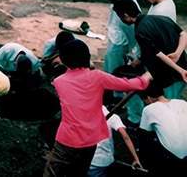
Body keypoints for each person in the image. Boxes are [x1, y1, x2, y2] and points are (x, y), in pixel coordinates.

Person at [44, 39, 151, 177]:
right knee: (80, 170)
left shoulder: (58, 82)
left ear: (64, 61)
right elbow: (129, 84)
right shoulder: (98, 77)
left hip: (67, 139)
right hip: (91, 139)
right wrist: (146, 77)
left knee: (52, 171)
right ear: (87, 57)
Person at [113, 0, 187, 99]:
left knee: (168, 108)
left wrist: (179, 70)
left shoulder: (140, 31)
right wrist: (178, 53)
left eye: (120, 16)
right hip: (183, 67)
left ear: (125, 15)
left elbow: (157, 53)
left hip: (170, 75)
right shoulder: (162, 18)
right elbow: (183, 34)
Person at [138, 82, 187, 173]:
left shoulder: (148, 109)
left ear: (148, 98)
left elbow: (144, 135)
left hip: (175, 156)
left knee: (147, 139)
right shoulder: (182, 102)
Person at [87, 106, 141, 177]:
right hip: (108, 159)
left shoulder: (85, 116)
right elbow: (126, 137)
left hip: (93, 161)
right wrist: (136, 159)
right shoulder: (113, 117)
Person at [102, 0, 139, 74]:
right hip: (115, 39)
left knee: (114, 73)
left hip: (119, 43)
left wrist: (133, 53)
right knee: (109, 66)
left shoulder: (124, 19)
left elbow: (132, 35)